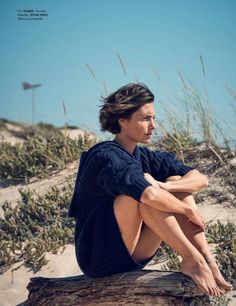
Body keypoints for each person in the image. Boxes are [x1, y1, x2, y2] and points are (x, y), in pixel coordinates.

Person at [69, 83, 232, 297]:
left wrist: (167, 185)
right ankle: (193, 260)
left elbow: (200, 179)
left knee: (175, 181)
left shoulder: (144, 156)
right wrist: (186, 211)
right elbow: (148, 195)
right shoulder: (106, 156)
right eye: (146, 119)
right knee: (139, 196)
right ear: (123, 121)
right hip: (98, 256)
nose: (153, 126)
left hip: (133, 255)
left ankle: (206, 260)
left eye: (153, 118)